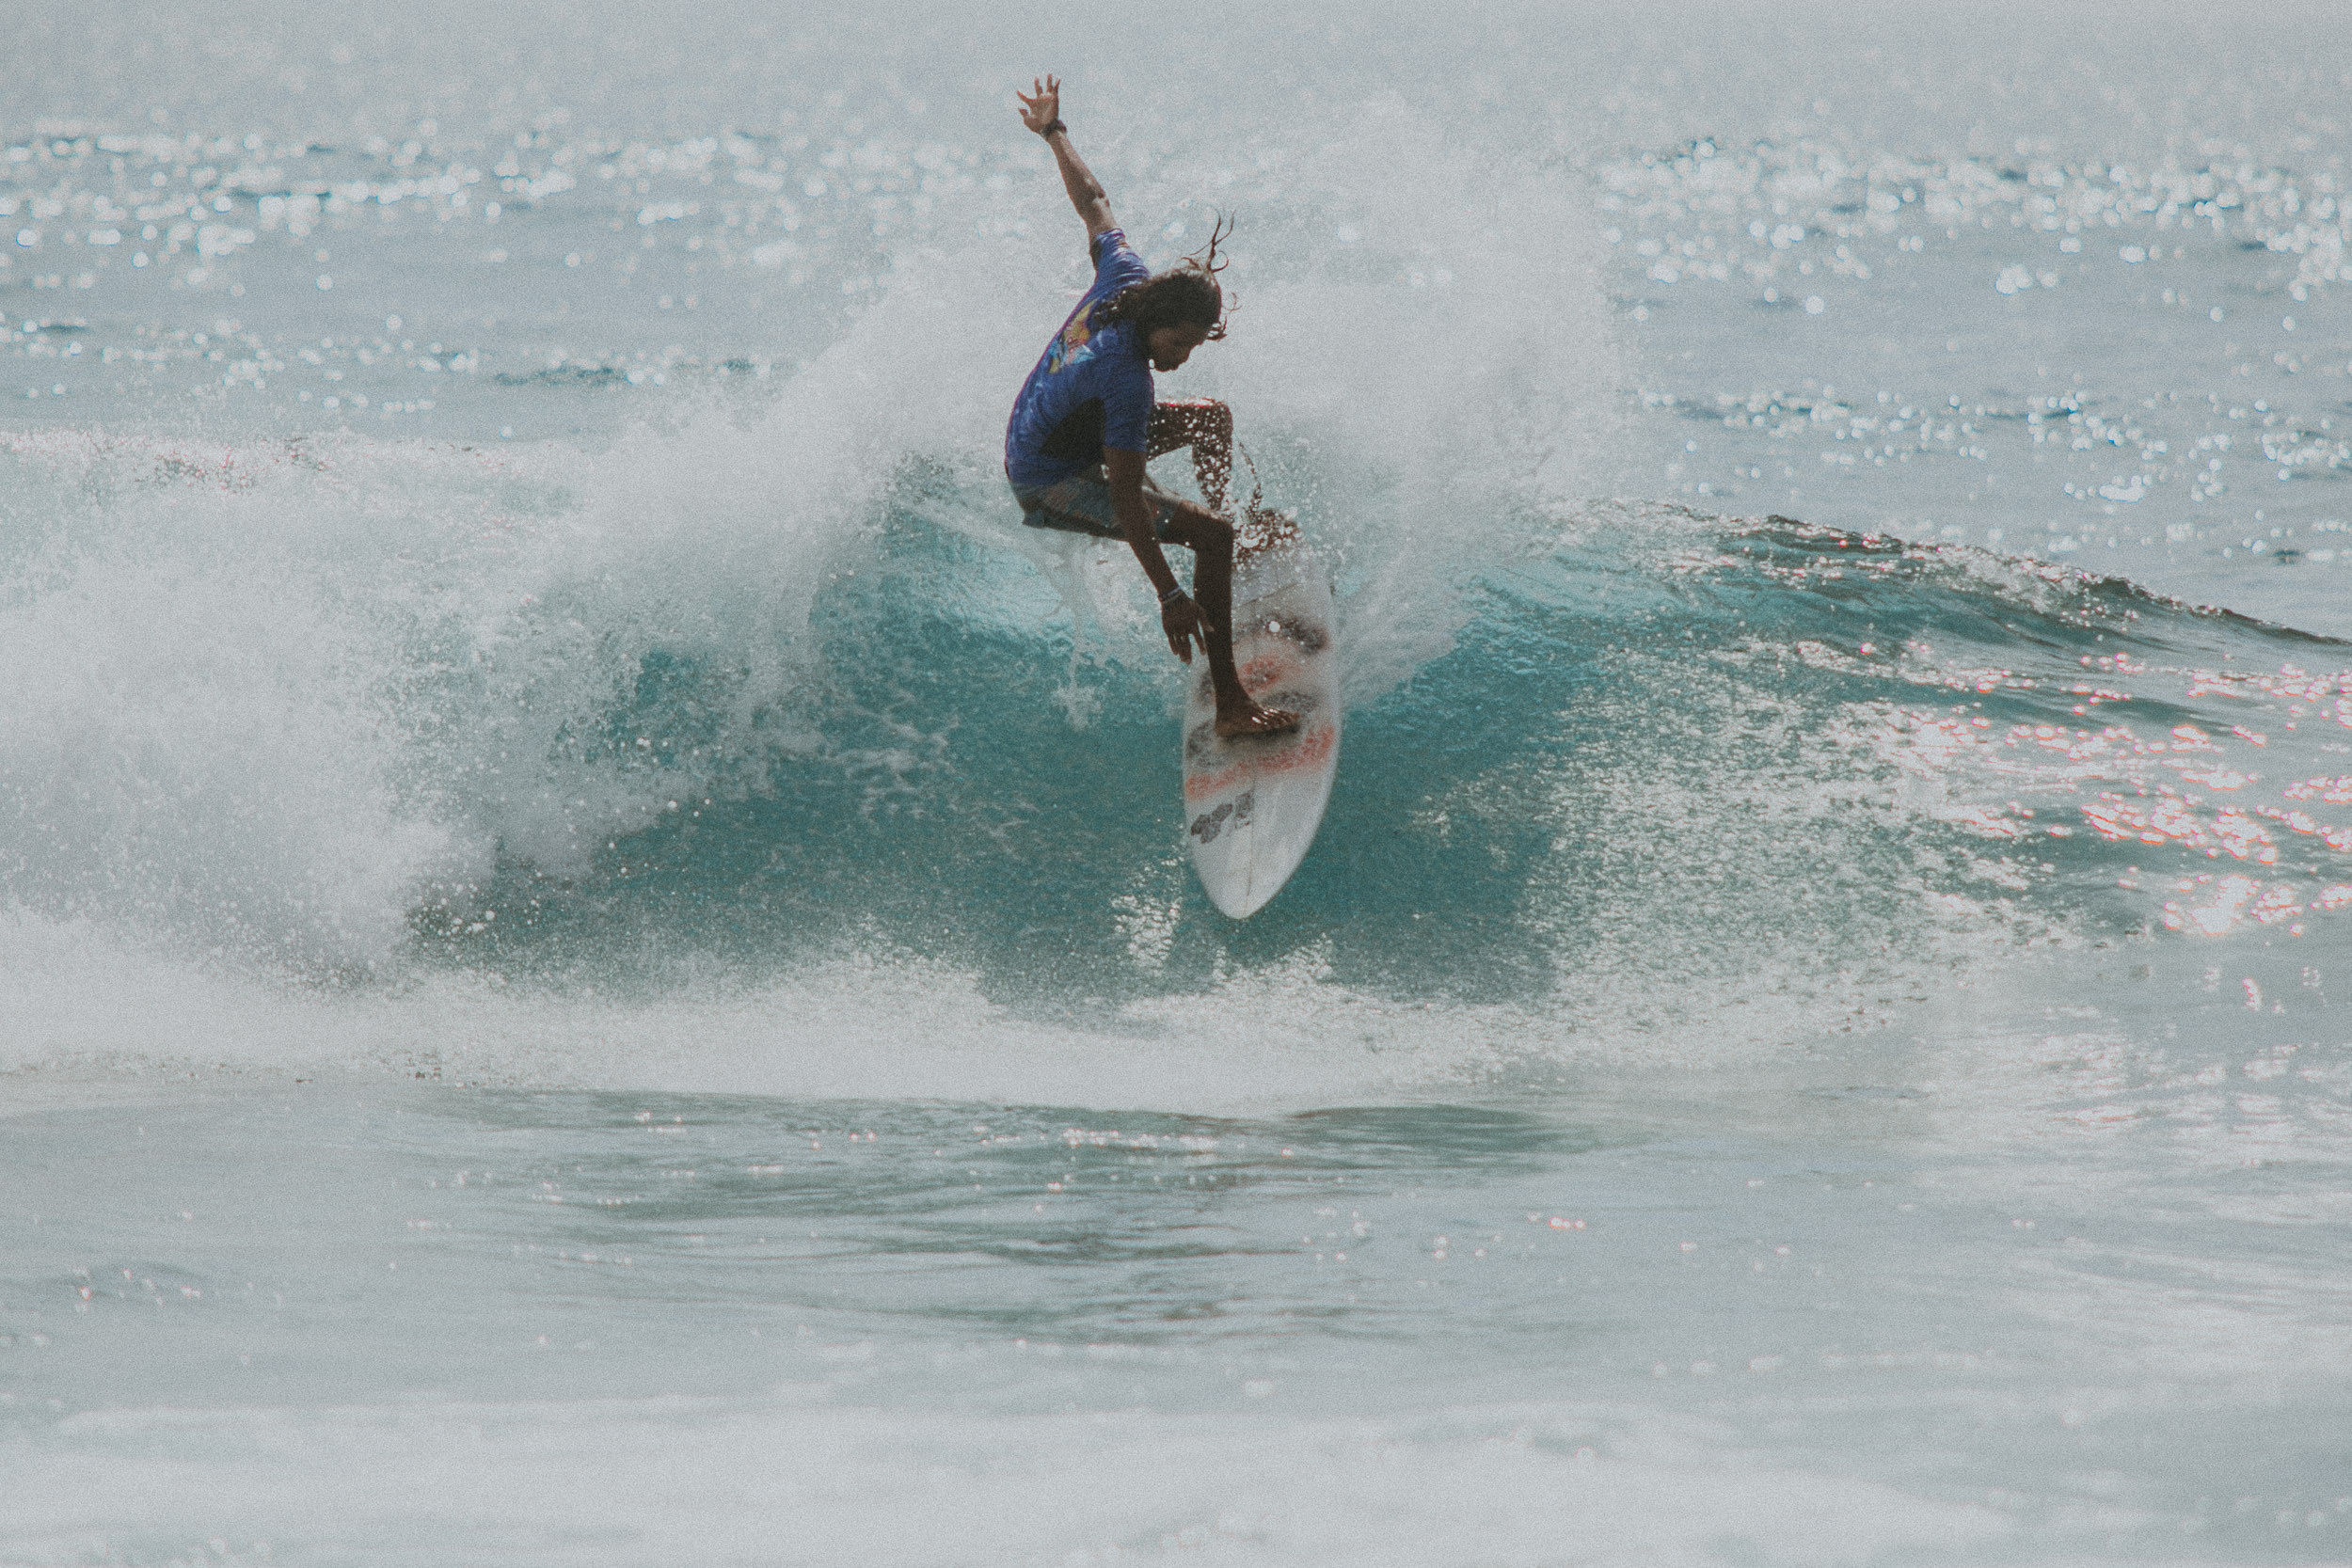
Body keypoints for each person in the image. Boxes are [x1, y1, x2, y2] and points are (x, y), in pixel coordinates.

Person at [1005, 75, 1297, 738]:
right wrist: (1170, 593)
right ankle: (1232, 706)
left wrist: (1055, 132)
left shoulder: (1127, 277)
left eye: (1194, 345)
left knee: (1210, 416)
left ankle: (1232, 532)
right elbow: (1131, 496)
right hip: (1047, 478)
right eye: (1180, 342)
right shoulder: (1127, 380)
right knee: (1207, 538)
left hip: (1059, 430)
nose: (1183, 356)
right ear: (1156, 320)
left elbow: (1096, 202)